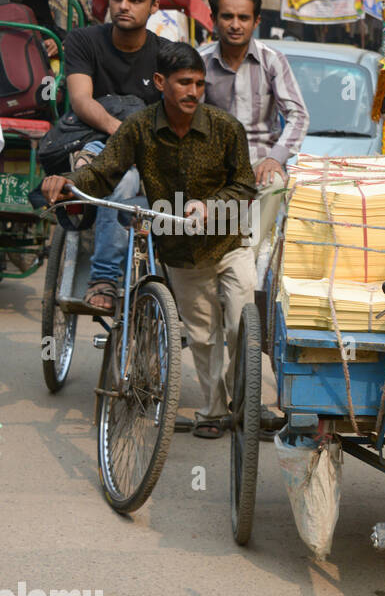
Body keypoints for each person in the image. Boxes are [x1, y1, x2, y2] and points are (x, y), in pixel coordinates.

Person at [42, 41, 257, 440]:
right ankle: (212, 412)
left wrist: (211, 205)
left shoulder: (226, 128)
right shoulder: (139, 128)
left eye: (199, 83)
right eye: (183, 83)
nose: (193, 91)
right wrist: (70, 183)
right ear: (160, 82)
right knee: (204, 337)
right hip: (179, 253)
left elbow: (244, 185)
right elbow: (105, 172)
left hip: (229, 245)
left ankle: (252, 409)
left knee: (242, 330)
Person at [61, 0, 166, 315]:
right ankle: (103, 279)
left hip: (145, 156)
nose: (124, 6)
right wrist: (122, 135)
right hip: (96, 140)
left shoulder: (165, 55)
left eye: (136, 0)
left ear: (154, 6)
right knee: (119, 181)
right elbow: (81, 100)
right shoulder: (84, 40)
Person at [198, 0, 308, 267]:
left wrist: (275, 158)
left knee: (275, 184)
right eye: (228, 16)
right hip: (211, 167)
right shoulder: (199, 61)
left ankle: (243, 257)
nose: (236, 24)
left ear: (256, 21)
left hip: (259, 165)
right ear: (214, 19)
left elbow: (298, 115)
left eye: (243, 17)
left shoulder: (273, 61)